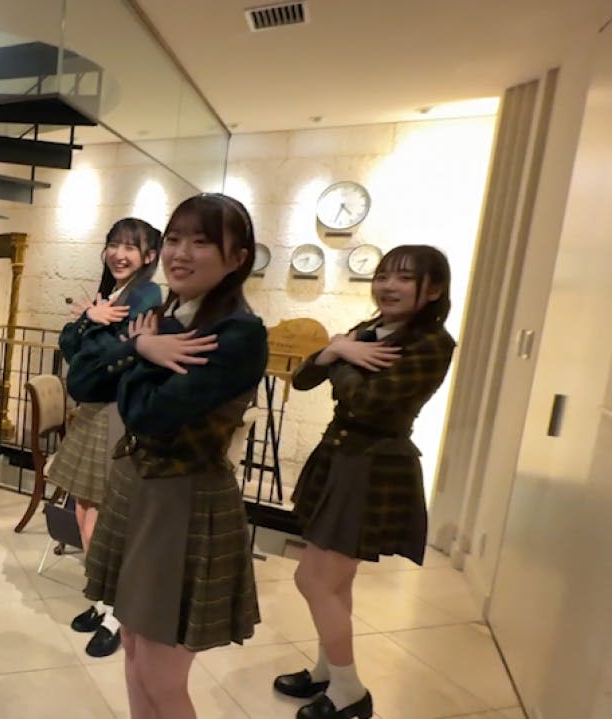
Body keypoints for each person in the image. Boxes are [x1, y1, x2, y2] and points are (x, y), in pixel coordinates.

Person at [67, 193, 268, 719]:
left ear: (237, 258)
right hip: (138, 489)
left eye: (201, 242)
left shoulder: (237, 332)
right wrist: (139, 348)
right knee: (134, 650)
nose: (181, 252)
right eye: (175, 238)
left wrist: (137, 356)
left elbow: (150, 416)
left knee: (161, 673)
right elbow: (82, 380)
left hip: (183, 501)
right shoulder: (164, 314)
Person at [273, 245, 456, 719]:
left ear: (433, 289)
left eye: (404, 278)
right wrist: (336, 349)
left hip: (373, 465)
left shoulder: (432, 344)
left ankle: (350, 691)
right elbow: (304, 379)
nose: (388, 286)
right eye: (383, 275)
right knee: (334, 582)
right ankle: (327, 671)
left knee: (314, 580)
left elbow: (369, 404)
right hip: (340, 459)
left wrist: (341, 354)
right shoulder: (369, 330)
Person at [55, 217, 163, 658]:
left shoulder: (146, 295)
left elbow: (95, 355)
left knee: (104, 518)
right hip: (96, 410)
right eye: (114, 244)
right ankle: (102, 601)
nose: (119, 254)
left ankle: (118, 613)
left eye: (130, 247)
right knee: (85, 509)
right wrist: (88, 319)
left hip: (115, 412)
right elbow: (69, 345)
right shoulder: (114, 295)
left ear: (149, 256)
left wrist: (86, 330)